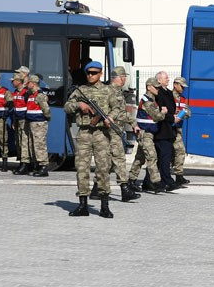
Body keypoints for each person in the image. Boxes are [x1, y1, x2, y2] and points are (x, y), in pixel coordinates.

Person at [64, 60, 121, 218]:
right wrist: (79, 106)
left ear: (101, 74)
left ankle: (104, 206)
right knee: (82, 168)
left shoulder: (108, 90)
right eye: (88, 73)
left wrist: (110, 117)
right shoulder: (80, 90)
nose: (90, 75)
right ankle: (83, 205)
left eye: (94, 73)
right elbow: (67, 106)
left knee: (103, 169)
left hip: (101, 134)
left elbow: (117, 107)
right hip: (84, 133)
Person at [98, 66, 140, 201]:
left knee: (108, 162)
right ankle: (124, 189)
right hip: (112, 130)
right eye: (124, 77)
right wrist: (133, 122)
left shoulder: (113, 91)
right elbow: (119, 113)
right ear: (120, 78)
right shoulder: (113, 92)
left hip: (114, 129)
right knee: (119, 159)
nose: (125, 80)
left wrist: (132, 123)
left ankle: (95, 188)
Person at [128, 77, 167, 194]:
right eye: (156, 87)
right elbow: (157, 116)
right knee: (152, 156)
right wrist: (163, 113)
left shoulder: (151, 100)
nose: (158, 89)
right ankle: (156, 183)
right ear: (149, 87)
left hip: (147, 133)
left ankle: (131, 181)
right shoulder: (147, 101)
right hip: (145, 134)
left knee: (140, 158)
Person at [154, 71, 179, 191]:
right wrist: (171, 117)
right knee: (164, 157)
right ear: (159, 80)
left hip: (169, 128)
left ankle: (150, 182)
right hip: (161, 129)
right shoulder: (158, 94)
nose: (168, 79)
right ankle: (168, 181)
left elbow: (170, 108)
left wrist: (174, 115)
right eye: (165, 78)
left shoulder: (168, 93)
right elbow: (160, 111)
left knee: (161, 158)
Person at [24, 74, 50, 177]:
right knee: (33, 145)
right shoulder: (31, 95)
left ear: (33, 83)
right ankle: (37, 165)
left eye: (28, 83)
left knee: (39, 144)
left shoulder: (40, 95)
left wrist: (46, 118)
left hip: (39, 123)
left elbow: (46, 109)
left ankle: (43, 166)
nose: (27, 85)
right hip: (32, 122)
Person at [172, 76, 191, 185]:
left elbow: (189, 112)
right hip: (168, 128)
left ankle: (179, 176)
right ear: (175, 85)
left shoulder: (183, 99)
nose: (183, 88)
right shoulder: (169, 96)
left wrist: (182, 113)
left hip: (178, 129)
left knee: (180, 151)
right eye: (181, 86)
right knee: (167, 154)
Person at [10, 72, 30, 175]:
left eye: (13, 81)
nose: (12, 82)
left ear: (18, 81)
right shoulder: (16, 92)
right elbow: (15, 108)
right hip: (18, 119)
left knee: (24, 142)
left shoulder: (26, 92)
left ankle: (25, 164)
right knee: (18, 142)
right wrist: (14, 120)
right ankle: (22, 162)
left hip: (25, 120)